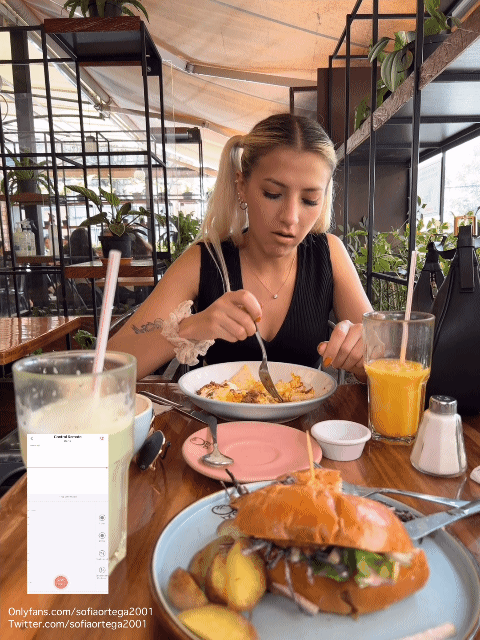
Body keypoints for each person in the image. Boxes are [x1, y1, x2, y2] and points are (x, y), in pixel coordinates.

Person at [108, 113, 373, 381]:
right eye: (273, 194)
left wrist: (363, 355)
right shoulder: (206, 259)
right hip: (217, 410)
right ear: (242, 186)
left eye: (310, 200)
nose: (290, 217)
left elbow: (383, 361)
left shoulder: (329, 254)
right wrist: (192, 327)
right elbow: (108, 368)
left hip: (308, 410)